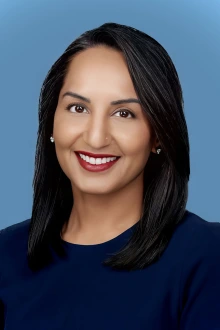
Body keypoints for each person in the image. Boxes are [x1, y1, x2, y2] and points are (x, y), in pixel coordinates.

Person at [0, 22, 220, 330]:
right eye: (78, 108)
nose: (96, 137)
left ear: (158, 135)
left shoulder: (206, 254)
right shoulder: (6, 253)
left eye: (124, 113)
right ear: (51, 122)